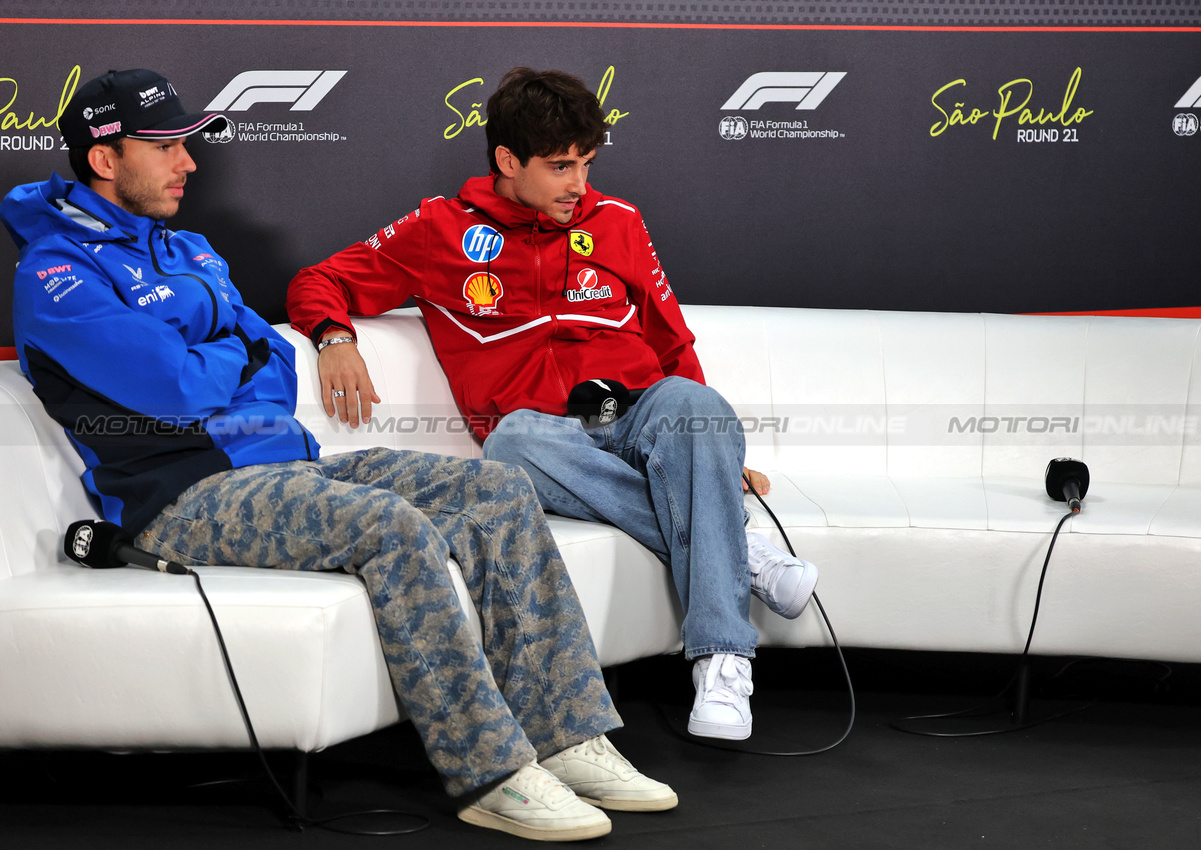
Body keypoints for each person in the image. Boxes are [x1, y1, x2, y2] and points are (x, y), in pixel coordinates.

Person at [1, 68, 677, 842]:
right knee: (388, 525)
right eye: (165, 147)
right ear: (104, 159)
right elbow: (176, 390)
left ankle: (565, 735)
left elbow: (276, 359)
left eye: (187, 145)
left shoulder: (186, 246)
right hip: (180, 498)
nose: (189, 164)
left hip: (285, 467)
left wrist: (224, 357)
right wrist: (227, 358)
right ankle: (491, 771)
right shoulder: (57, 273)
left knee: (495, 490)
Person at [287, 67, 820, 741]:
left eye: (587, 164)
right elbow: (320, 278)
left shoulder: (618, 221)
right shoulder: (438, 230)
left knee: (693, 402)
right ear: (508, 161)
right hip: (545, 436)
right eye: (561, 166)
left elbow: (670, 341)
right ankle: (739, 555)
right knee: (509, 444)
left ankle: (721, 663)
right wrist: (334, 336)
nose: (578, 185)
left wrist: (714, 454)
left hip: (633, 411)